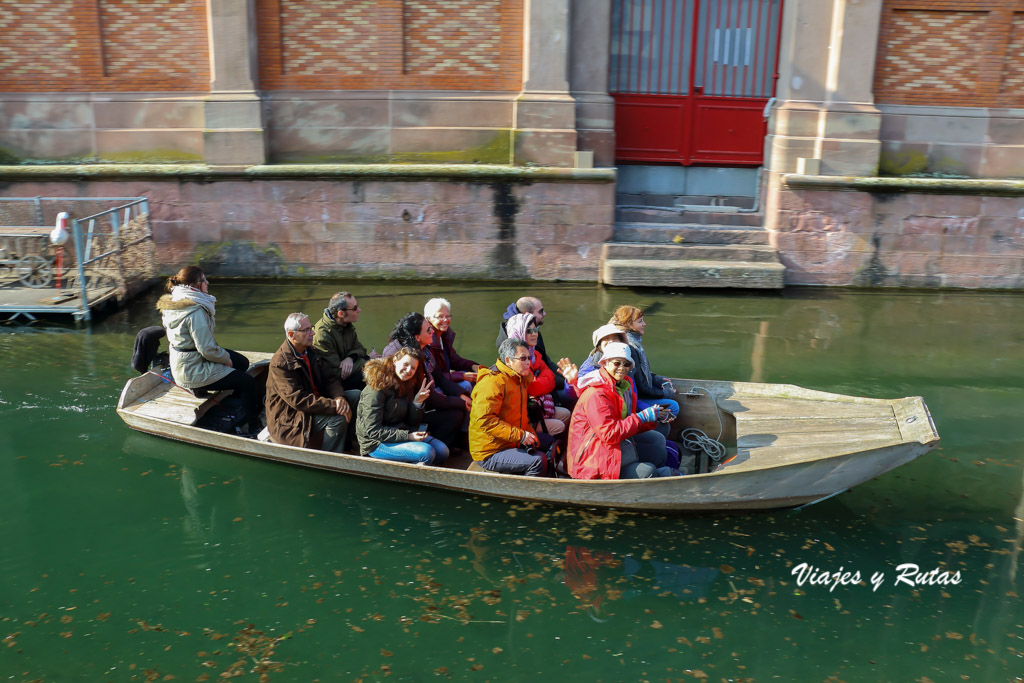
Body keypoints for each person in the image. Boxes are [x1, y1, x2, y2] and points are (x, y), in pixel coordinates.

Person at [156, 266, 260, 432]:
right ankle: (254, 426)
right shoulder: (195, 310)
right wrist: (225, 359)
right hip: (193, 367)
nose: (207, 282)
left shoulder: (174, 303)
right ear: (193, 286)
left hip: (184, 361)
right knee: (247, 383)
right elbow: (207, 349)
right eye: (203, 280)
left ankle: (204, 390)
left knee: (242, 363)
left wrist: (226, 359)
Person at [567, 343, 675, 479]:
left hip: (614, 444)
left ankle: (654, 486)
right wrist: (642, 417)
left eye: (626, 364)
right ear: (605, 363)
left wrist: (652, 417)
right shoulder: (597, 394)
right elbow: (609, 434)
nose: (622, 368)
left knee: (659, 453)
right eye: (617, 363)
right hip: (593, 457)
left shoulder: (624, 386)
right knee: (648, 471)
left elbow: (625, 423)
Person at [265, 313, 351, 452]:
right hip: (291, 418)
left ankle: (350, 443)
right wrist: (334, 406)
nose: (312, 332)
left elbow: (330, 379)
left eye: (311, 328)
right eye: (306, 330)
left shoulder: (311, 352)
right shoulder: (280, 364)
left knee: (356, 396)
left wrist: (339, 397)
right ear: (292, 335)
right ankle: (328, 460)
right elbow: (298, 400)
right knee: (337, 419)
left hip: (314, 405)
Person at [469, 338, 555, 476]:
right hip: (490, 451)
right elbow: (485, 422)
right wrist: (520, 436)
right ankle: (526, 494)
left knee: (549, 442)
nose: (528, 362)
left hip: (510, 441)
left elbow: (519, 416)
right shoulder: (492, 383)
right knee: (538, 461)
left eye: (529, 358)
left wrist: (529, 434)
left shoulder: (518, 379)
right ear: (508, 360)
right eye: (523, 358)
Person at [381, 312, 468, 449]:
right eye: (428, 330)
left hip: (420, 404)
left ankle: (446, 446)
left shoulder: (424, 350)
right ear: (417, 337)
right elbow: (428, 395)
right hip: (404, 413)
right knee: (455, 413)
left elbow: (439, 378)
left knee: (460, 404)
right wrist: (461, 403)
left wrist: (461, 395)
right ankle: (437, 448)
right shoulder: (408, 358)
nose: (433, 331)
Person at [356, 347, 449, 465]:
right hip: (375, 443)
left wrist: (417, 403)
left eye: (413, 368)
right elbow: (373, 431)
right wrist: (408, 437)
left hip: (400, 433)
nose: (409, 370)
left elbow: (411, 422)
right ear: (395, 360)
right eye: (405, 364)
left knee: (442, 451)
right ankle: (410, 479)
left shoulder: (407, 384)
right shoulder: (376, 388)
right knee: (426, 452)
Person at [495, 296, 574, 406]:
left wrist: (566, 375)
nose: (545, 313)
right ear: (528, 314)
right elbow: (533, 387)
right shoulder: (513, 348)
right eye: (541, 311)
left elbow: (546, 363)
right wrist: (566, 381)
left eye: (535, 330)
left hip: (545, 392)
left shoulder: (533, 343)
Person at [504, 312, 571, 436]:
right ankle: (544, 448)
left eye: (535, 329)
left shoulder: (535, 355)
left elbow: (550, 379)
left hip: (537, 409)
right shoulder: (516, 360)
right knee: (560, 425)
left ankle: (552, 446)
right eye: (529, 331)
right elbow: (534, 388)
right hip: (523, 418)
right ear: (518, 333)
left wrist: (541, 380)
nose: (534, 333)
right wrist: (543, 379)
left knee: (566, 414)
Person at [609, 305, 680, 419]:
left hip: (634, 395)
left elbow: (640, 373)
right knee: (673, 406)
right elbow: (640, 387)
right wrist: (664, 393)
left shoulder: (634, 342)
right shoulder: (630, 347)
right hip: (633, 399)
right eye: (640, 321)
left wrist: (656, 378)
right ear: (628, 324)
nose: (644, 324)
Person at [312, 291, 375, 397]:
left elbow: (359, 348)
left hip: (351, 373)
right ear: (341, 313)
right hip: (334, 385)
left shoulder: (346, 325)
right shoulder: (323, 335)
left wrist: (351, 358)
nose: (359, 310)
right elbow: (338, 373)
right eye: (355, 308)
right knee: (374, 374)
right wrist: (365, 362)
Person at [424, 297, 481, 394]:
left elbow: (454, 360)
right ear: (428, 319)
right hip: (433, 388)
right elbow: (433, 376)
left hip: (446, 380)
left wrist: (473, 366)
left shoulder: (443, 336)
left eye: (448, 316)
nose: (445, 320)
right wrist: (461, 376)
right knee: (466, 384)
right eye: (440, 317)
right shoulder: (427, 342)